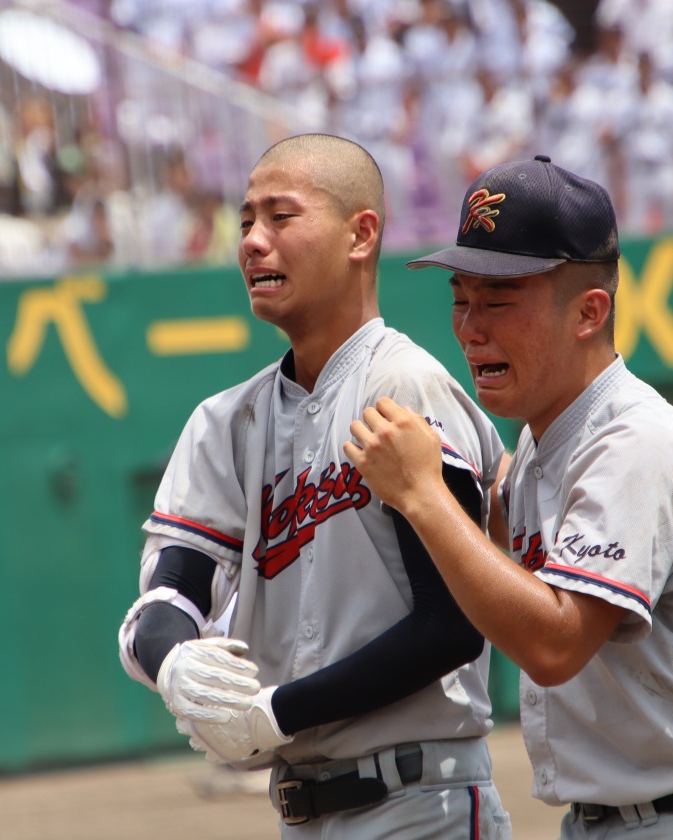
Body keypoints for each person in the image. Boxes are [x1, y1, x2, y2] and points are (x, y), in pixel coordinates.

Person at [343, 155, 673, 840]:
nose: (471, 328)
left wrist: (424, 494)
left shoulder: (636, 440)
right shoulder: (543, 448)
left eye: (499, 300)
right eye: (461, 297)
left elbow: (556, 643)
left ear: (588, 311)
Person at [117, 133, 511, 837]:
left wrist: (273, 712)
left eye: (280, 217)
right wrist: (174, 660)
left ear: (362, 234)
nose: (253, 242)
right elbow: (170, 593)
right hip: (301, 810)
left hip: (423, 802)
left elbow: (450, 625)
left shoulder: (405, 384)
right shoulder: (227, 423)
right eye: (244, 223)